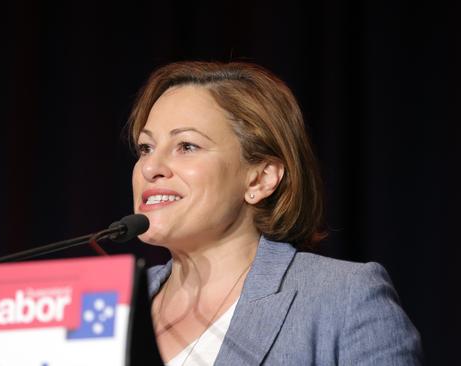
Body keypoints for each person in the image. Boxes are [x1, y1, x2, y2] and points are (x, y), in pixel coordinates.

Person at [127, 61, 422, 365]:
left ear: (261, 177)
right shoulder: (110, 303)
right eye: (146, 148)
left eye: (187, 146)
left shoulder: (343, 298)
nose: (150, 168)